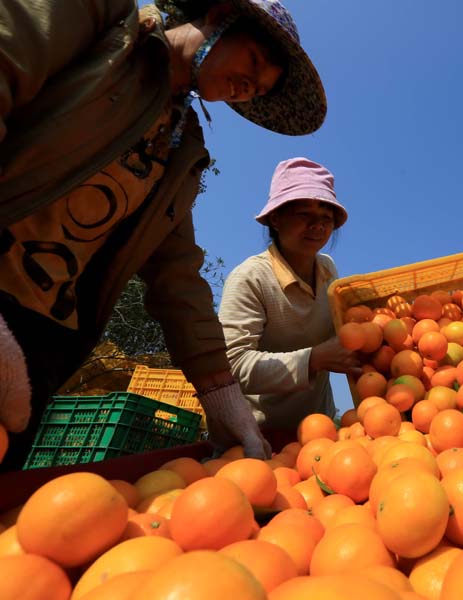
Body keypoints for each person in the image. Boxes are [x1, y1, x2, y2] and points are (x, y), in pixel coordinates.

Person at [0, 0, 329, 468]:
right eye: (252, 62)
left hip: (42, 341)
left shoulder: (180, 148)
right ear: (219, 16)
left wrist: (221, 394)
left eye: (255, 88)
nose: (245, 87)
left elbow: (177, 278)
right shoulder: (104, 28)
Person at [218, 158, 362, 437]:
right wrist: (313, 359)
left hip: (319, 431)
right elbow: (232, 367)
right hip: (258, 436)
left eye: (326, 218)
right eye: (303, 214)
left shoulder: (327, 270)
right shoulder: (250, 278)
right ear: (276, 217)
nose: (318, 226)